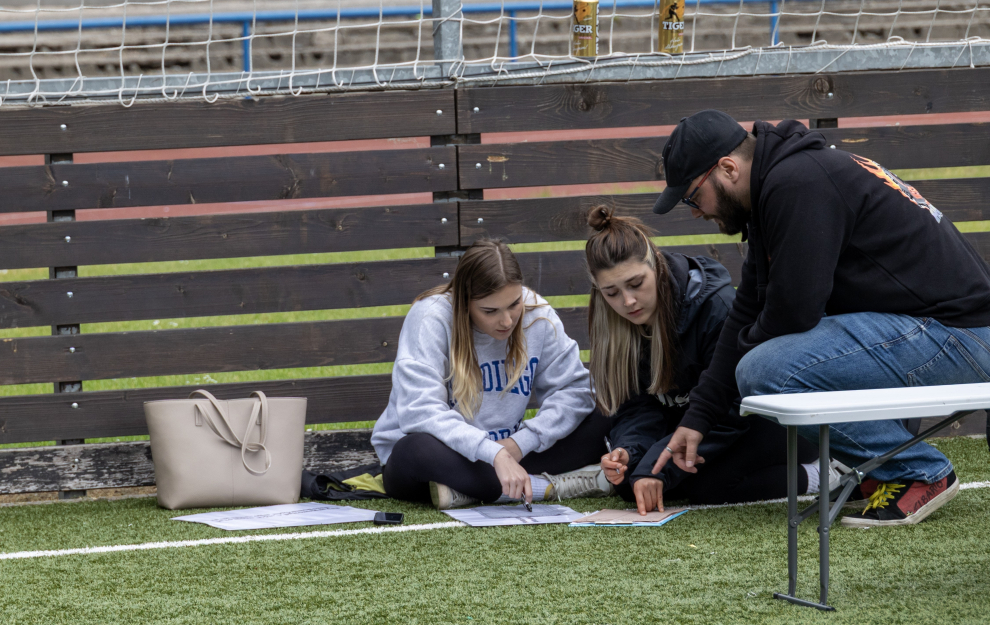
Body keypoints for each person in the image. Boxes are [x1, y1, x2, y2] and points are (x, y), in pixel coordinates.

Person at [650, 109, 990, 527]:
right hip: (937, 329)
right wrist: (698, 416)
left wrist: (746, 354)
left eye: (692, 196)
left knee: (765, 369)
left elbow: (794, 312)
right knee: (765, 360)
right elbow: (749, 308)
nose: (694, 212)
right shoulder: (784, 180)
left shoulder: (797, 183)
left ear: (728, 169)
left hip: (961, 336)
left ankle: (918, 471)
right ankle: (879, 468)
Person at [586, 205, 834, 515]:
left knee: (707, 486)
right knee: (630, 481)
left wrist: (658, 468)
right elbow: (638, 406)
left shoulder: (715, 308)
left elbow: (729, 406)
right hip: (698, 422)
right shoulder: (615, 326)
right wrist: (629, 451)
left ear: (657, 266)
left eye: (636, 284)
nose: (628, 301)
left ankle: (824, 475)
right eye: (611, 293)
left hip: (761, 418)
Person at [373, 239, 614, 509]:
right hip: (446, 455)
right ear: (464, 303)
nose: (507, 321)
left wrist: (517, 445)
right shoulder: (431, 318)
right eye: (490, 311)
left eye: (514, 304)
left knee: (607, 412)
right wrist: (493, 453)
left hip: (511, 453)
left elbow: (575, 390)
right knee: (415, 449)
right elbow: (420, 412)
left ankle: (470, 490)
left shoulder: (537, 313)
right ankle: (545, 486)